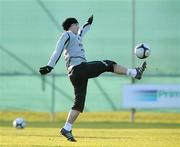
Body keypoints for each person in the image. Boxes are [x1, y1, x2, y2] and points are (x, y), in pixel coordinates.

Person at [39, 15, 147, 142]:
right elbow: (57, 50)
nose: (78, 27)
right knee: (108, 63)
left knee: (78, 104)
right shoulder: (67, 34)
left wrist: (88, 23)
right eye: (76, 24)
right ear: (71, 25)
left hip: (75, 74)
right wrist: (49, 66)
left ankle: (67, 128)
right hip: (79, 68)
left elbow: (83, 31)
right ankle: (134, 73)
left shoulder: (76, 37)